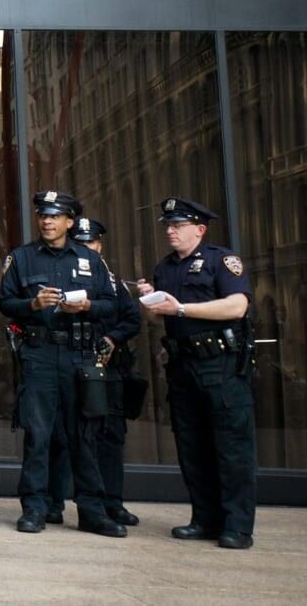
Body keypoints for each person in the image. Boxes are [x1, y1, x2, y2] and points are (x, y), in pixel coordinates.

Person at [0, 191, 126, 537]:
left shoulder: (90, 260)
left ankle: (92, 511)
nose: (47, 222)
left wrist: (86, 308)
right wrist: (33, 305)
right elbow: (5, 302)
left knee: (83, 435)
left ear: (70, 221)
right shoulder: (21, 258)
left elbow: (112, 306)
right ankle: (35, 508)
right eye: (43, 215)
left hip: (79, 356)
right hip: (40, 354)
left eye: (55, 216)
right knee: (38, 435)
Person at [135, 198, 256, 549]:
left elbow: (238, 305)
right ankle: (204, 519)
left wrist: (183, 308)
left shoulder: (222, 260)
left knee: (232, 448)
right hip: (183, 366)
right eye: (167, 225)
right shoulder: (166, 267)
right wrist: (149, 302)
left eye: (178, 225)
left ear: (199, 229)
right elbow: (160, 320)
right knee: (192, 446)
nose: (170, 231)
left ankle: (237, 526)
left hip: (221, 365)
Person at [69, 217, 143, 528]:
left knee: (110, 437)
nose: (87, 249)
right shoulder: (66, 277)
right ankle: (60, 502)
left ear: (100, 246)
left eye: (92, 244)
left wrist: (112, 339)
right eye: (81, 244)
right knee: (73, 436)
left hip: (108, 368)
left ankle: (112, 502)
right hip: (73, 364)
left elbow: (131, 319)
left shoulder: (112, 282)